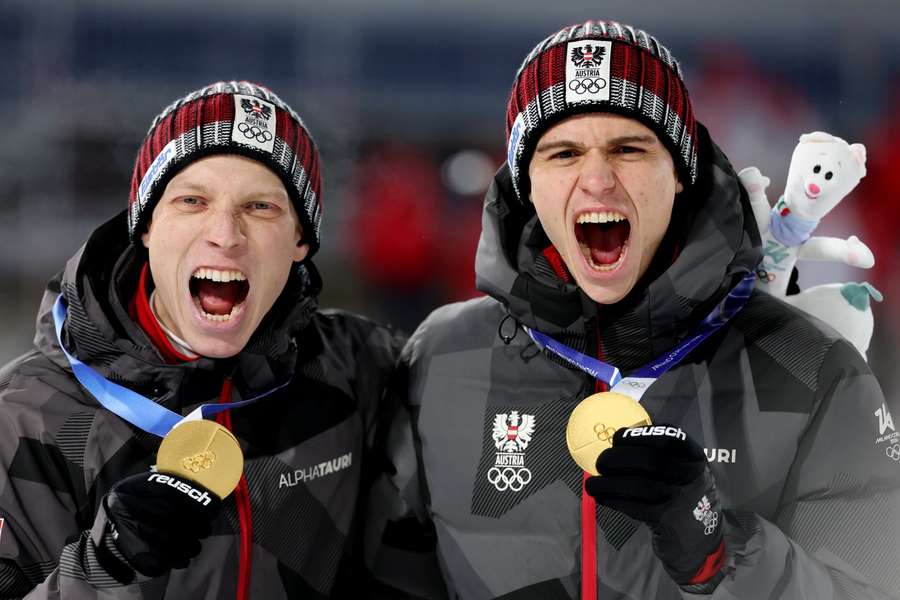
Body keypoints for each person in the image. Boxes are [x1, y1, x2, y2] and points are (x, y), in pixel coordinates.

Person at [369, 21, 900, 599]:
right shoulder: (441, 358)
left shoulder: (812, 368)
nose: (597, 179)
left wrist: (720, 553)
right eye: (563, 152)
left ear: (678, 173)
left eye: (628, 148)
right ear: (526, 182)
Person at [0, 81, 403, 599]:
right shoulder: (26, 416)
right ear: (145, 225)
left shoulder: (355, 368)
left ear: (301, 240)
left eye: (260, 207)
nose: (226, 234)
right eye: (192, 200)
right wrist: (103, 567)